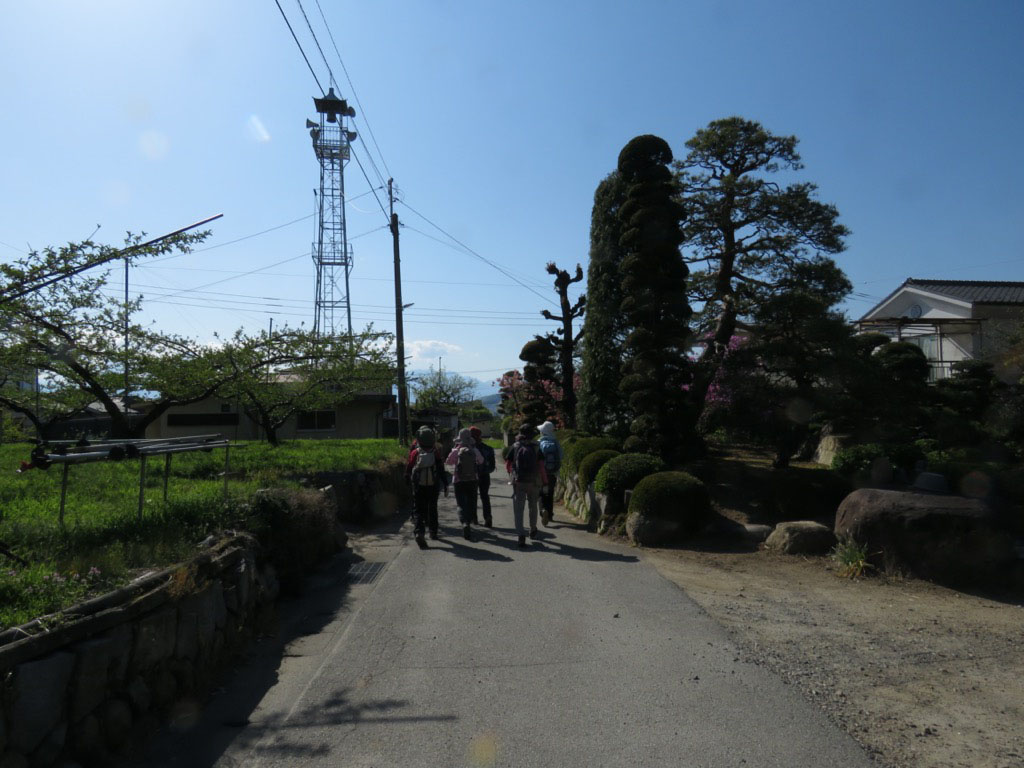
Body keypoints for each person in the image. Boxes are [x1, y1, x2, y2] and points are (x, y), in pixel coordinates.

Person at [506, 422, 548, 548]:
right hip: (534, 481)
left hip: (519, 482)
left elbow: (508, 464)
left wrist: (513, 474)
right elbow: (541, 467)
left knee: (519, 510)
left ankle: (520, 535)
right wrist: (545, 482)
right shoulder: (536, 447)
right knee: (533, 506)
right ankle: (533, 529)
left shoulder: (515, 446)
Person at [405, 426, 448, 549]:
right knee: (432, 507)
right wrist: (445, 483)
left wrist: (407, 478)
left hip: (419, 485)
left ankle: (419, 532)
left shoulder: (415, 452)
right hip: (433, 485)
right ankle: (433, 532)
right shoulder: (435, 452)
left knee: (418, 509)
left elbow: (409, 467)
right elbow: (440, 469)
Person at [446, 427, 484, 541]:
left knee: (461, 504)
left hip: (458, 480)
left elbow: (448, 462)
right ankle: (470, 519)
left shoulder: (456, 450)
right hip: (473, 480)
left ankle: (464, 523)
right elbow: (481, 461)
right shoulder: (474, 450)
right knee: (472, 501)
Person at [537, 420, 563, 526]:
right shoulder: (556, 442)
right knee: (550, 493)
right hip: (553, 472)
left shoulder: (539, 442)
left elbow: (537, 459)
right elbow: (561, 456)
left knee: (541, 493)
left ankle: (543, 510)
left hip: (541, 473)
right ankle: (550, 514)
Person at [470, 426, 496, 527]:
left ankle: (474, 518)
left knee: (473, 497)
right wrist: (485, 471)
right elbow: (492, 467)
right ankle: (488, 517)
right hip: (485, 476)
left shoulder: (468, 449)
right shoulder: (488, 449)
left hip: (472, 476)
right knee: (485, 496)